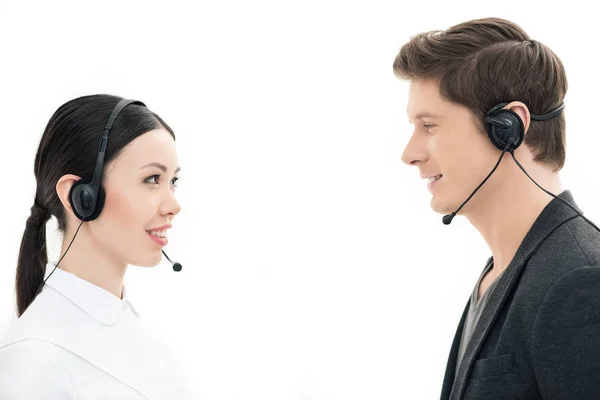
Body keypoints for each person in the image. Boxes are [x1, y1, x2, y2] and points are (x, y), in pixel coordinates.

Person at [393, 17, 600, 399]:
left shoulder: (581, 280)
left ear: (508, 128)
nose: (410, 154)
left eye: (429, 126)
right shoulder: (504, 271)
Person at [0, 94, 194, 399]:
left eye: (173, 181)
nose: (173, 205)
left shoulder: (150, 345)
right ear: (81, 197)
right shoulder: (33, 359)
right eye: (152, 179)